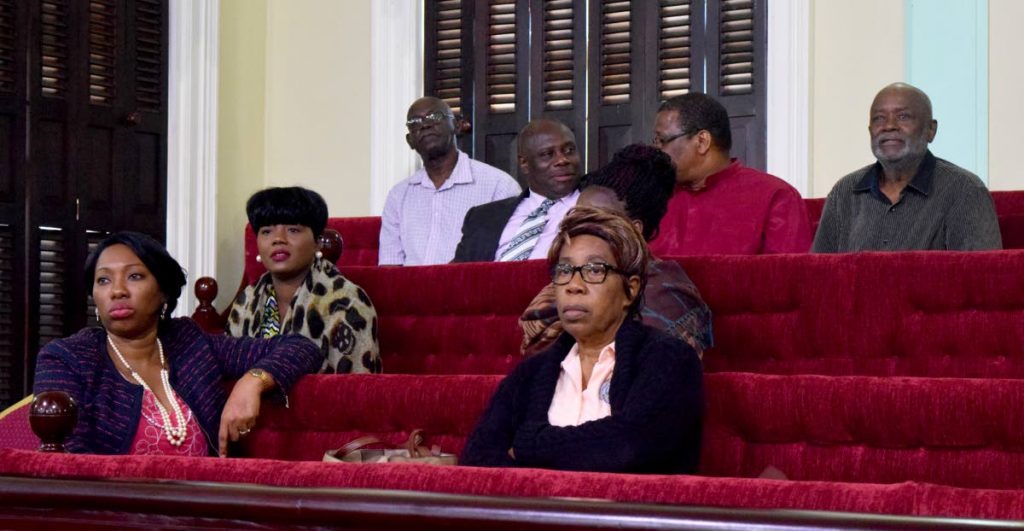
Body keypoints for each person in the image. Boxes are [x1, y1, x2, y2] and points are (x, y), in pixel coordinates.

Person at [33, 232, 322, 457]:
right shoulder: (67, 359)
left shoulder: (189, 342)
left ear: (164, 293)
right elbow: (69, 461)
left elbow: (301, 347)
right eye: (104, 280)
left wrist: (254, 381)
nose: (118, 291)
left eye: (134, 276)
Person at [461, 207, 704, 473]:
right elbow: (478, 456)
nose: (573, 285)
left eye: (594, 269)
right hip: (539, 513)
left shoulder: (668, 359)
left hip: (626, 513)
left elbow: (631, 444)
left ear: (630, 289)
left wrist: (526, 447)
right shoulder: (531, 373)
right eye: (564, 270)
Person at [519, 144, 713, 358]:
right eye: (576, 215)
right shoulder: (567, 278)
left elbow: (655, 371)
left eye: (595, 219)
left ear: (633, 229)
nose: (579, 227)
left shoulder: (664, 294)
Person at [812, 83, 1001, 252]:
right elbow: (819, 274)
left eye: (903, 117)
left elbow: (982, 279)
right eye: (879, 118)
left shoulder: (964, 190)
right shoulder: (844, 191)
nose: (889, 126)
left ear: (930, 130)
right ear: (870, 131)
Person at [226, 187, 381, 373]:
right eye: (266, 231)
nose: (278, 239)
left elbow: (356, 391)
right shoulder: (246, 301)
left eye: (293, 230)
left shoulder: (348, 302)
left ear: (317, 241)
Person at [650, 92, 812, 255]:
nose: (656, 150)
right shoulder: (654, 195)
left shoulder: (776, 196)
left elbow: (790, 277)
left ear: (702, 141)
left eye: (662, 140)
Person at [379, 97, 522, 265]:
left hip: (472, 289)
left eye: (435, 117)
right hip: (410, 291)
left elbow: (509, 261)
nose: (425, 125)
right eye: (415, 121)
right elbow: (390, 266)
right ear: (410, 140)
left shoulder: (499, 186)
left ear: (457, 125)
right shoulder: (398, 196)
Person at [453, 118, 582, 262]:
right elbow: (457, 277)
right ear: (524, 163)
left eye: (569, 150)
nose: (562, 160)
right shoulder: (482, 218)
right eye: (548, 154)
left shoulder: (597, 208)